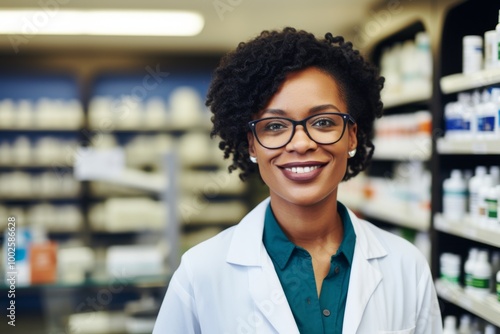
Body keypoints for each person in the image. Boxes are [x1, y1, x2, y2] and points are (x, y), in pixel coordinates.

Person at [153, 27, 443, 334]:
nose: (301, 143)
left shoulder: (406, 265)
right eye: (275, 125)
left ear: (352, 137)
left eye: (322, 122)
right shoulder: (200, 273)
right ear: (252, 144)